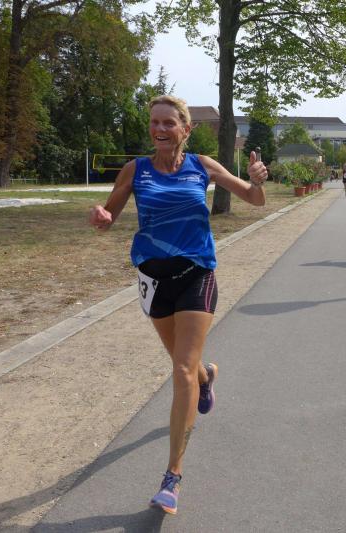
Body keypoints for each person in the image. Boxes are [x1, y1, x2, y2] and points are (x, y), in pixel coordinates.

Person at [88, 95, 268, 515]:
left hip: (196, 275)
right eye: (155, 122)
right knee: (185, 364)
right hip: (154, 281)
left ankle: (172, 477)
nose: (160, 129)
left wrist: (257, 180)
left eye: (169, 123)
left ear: (186, 129)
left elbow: (254, 199)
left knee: (181, 369)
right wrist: (100, 217)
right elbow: (108, 216)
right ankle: (207, 377)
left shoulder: (202, 166)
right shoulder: (136, 170)